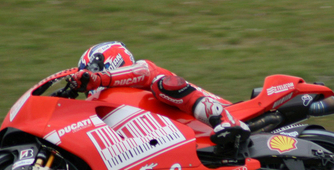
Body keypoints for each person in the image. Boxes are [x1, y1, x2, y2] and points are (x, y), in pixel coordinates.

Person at [69, 41, 250, 146]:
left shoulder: (142, 70)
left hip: (232, 112)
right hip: (178, 139)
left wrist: (100, 78)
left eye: (91, 71)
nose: (88, 81)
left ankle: (227, 123)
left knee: (163, 85)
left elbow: (144, 73)